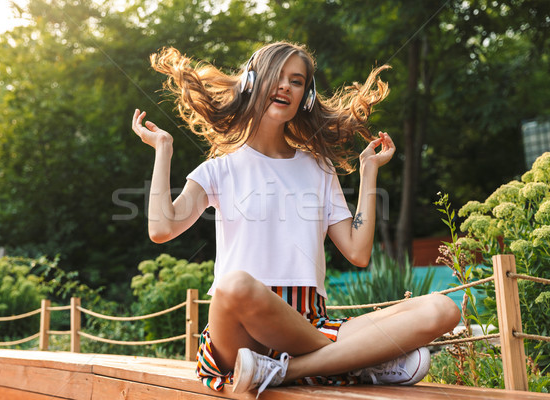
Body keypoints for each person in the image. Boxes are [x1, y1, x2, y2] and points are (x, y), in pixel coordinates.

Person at [131, 41, 460, 397]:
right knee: (233, 284)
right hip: (242, 331)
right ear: (251, 83)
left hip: (311, 323)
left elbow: (358, 253)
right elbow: (161, 229)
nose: (286, 86)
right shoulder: (218, 169)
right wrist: (163, 150)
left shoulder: (319, 168)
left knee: (441, 309)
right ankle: (355, 360)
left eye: (297, 81)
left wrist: (368, 172)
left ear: (306, 95)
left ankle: (286, 371)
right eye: (277, 76)